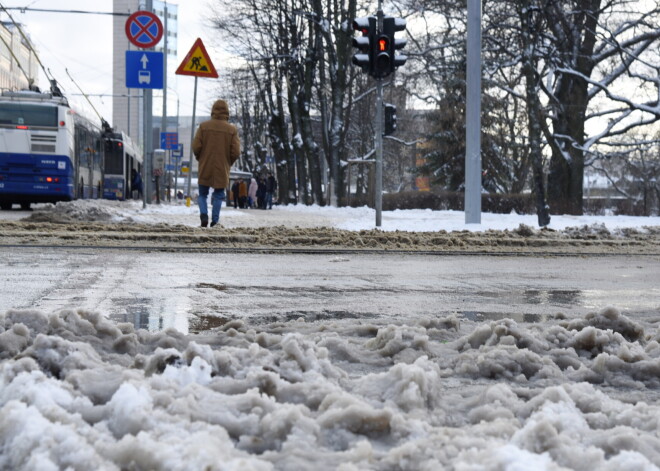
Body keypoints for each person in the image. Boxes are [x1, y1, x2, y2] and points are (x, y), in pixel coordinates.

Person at [192, 99, 241, 227]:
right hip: (222, 167)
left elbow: (196, 146)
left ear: (213, 111)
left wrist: (201, 158)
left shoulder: (203, 127)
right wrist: (227, 161)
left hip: (205, 165)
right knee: (219, 195)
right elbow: (236, 151)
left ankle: (203, 215)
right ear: (227, 112)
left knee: (202, 194)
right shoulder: (231, 130)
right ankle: (215, 221)